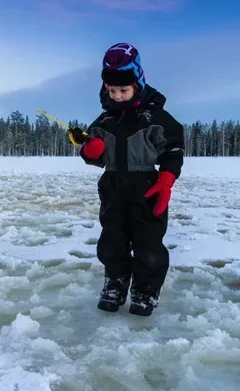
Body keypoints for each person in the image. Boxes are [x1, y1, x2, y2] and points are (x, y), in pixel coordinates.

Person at [69, 42, 184, 316]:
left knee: (148, 242)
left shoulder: (155, 117)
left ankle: (145, 290)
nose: (118, 96)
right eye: (112, 90)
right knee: (112, 240)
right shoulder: (104, 120)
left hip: (147, 187)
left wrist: (166, 179)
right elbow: (94, 154)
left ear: (138, 82)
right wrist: (90, 150)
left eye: (124, 90)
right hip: (112, 188)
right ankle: (115, 282)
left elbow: (174, 148)